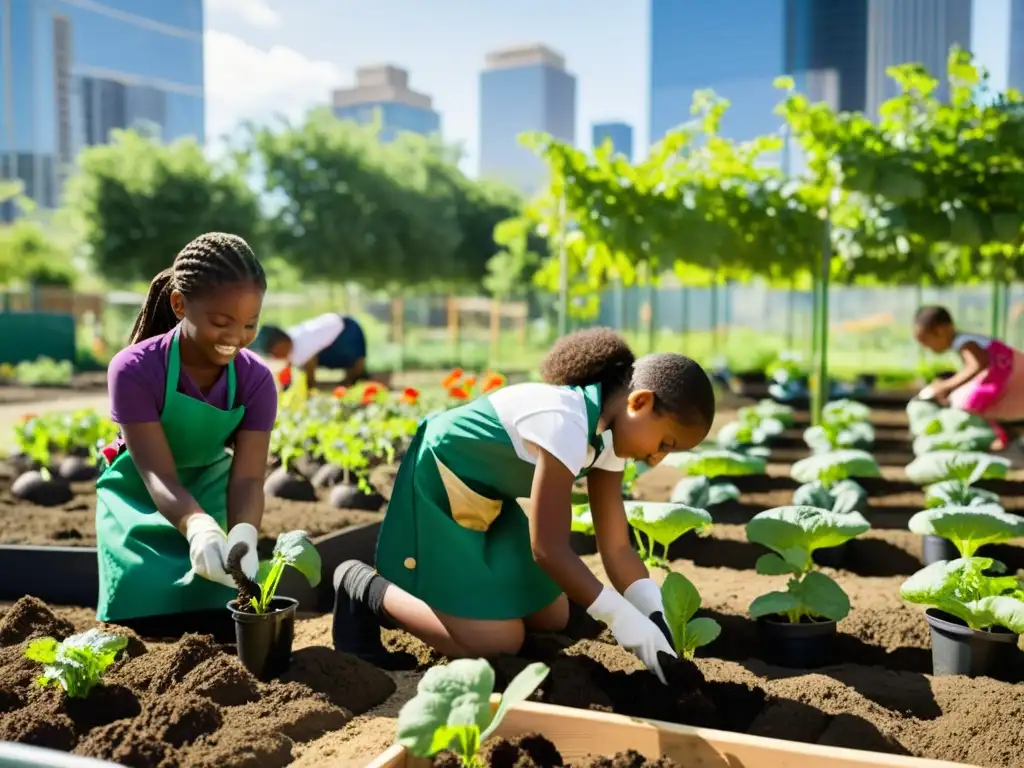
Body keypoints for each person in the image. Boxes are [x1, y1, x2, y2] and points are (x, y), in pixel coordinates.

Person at [332, 328, 715, 683]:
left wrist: (651, 612)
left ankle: (468, 599)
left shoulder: (609, 439)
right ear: (640, 403)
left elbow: (615, 546)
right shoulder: (566, 420)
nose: (657, 459)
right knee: (498, 644)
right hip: (439, 486)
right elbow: (547, 549)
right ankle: (363, 586)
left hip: (490, 499)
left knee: (552, 614)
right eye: (665, 443)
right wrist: (617, 615)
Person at [96, 233, 277, 640]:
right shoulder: (134, 369)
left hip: (214, 489)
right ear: (180, 304)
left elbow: (247, 478)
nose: (237, 336)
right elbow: (158, 474)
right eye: (220, 322)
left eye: (251, 324)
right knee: (140, 611)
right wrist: (197, 527)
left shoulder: (256, 379)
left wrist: (243, 533)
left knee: (225, 614)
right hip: (140, 496)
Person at [914, 305, 1024, 450]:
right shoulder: (965, 341)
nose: (929, 349)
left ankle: (998, 435)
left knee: (967, 402)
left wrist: (946, 385)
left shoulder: (964, 342)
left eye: (926, 342)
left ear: (939, 331)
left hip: (1008, 375)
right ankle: (1008, 433)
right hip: (1007, 376)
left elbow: (977, 364)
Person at [262, 313, 369, 390]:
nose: (274, 357)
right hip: (336, 330)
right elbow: (288, 369)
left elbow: (310, 369)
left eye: (274, 352)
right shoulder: (290, 340)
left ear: (280, 344)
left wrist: (309, 390)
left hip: (347, 331)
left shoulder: (302, 345)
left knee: (355, 369)